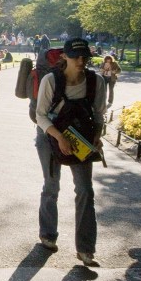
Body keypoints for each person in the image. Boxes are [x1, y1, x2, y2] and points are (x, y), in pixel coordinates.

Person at [34, 38, 106, 266]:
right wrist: (60, 137)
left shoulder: (96, 81)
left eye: (85, 56)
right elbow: (40, 115)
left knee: (85, 189)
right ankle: (48, 234)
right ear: (65, 57)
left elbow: (98, 113)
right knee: (51, 186)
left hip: (82, 138)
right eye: (76, 57)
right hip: (51, 136)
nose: (82, 61)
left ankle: (85, 249)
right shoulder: (51, 80)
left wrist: (97, 136)